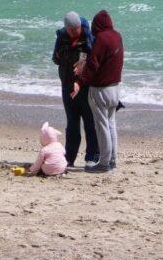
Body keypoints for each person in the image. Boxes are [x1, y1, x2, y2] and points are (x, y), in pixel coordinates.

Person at [73, 10, 123, 173]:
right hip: (115, 88)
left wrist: (80, 82)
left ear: (97, 25)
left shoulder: (101, 39)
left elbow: (94, 65)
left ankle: (104, 163)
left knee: (102, 127)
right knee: (111, 125)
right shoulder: (117, 36)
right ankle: (112, 161)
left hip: (100, 90)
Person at [52, 11, 99, 167]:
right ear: (66, 29)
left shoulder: (88, 37)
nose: (75, 32)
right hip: (67, 86)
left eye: (77, 29)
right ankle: (69, 158)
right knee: (72, 124)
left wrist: (84, 62)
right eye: (71, 30)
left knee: (89, 123)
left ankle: (92, 157)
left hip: (85, 87)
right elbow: (55, 59)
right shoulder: (62, 37)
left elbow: (96, 60)